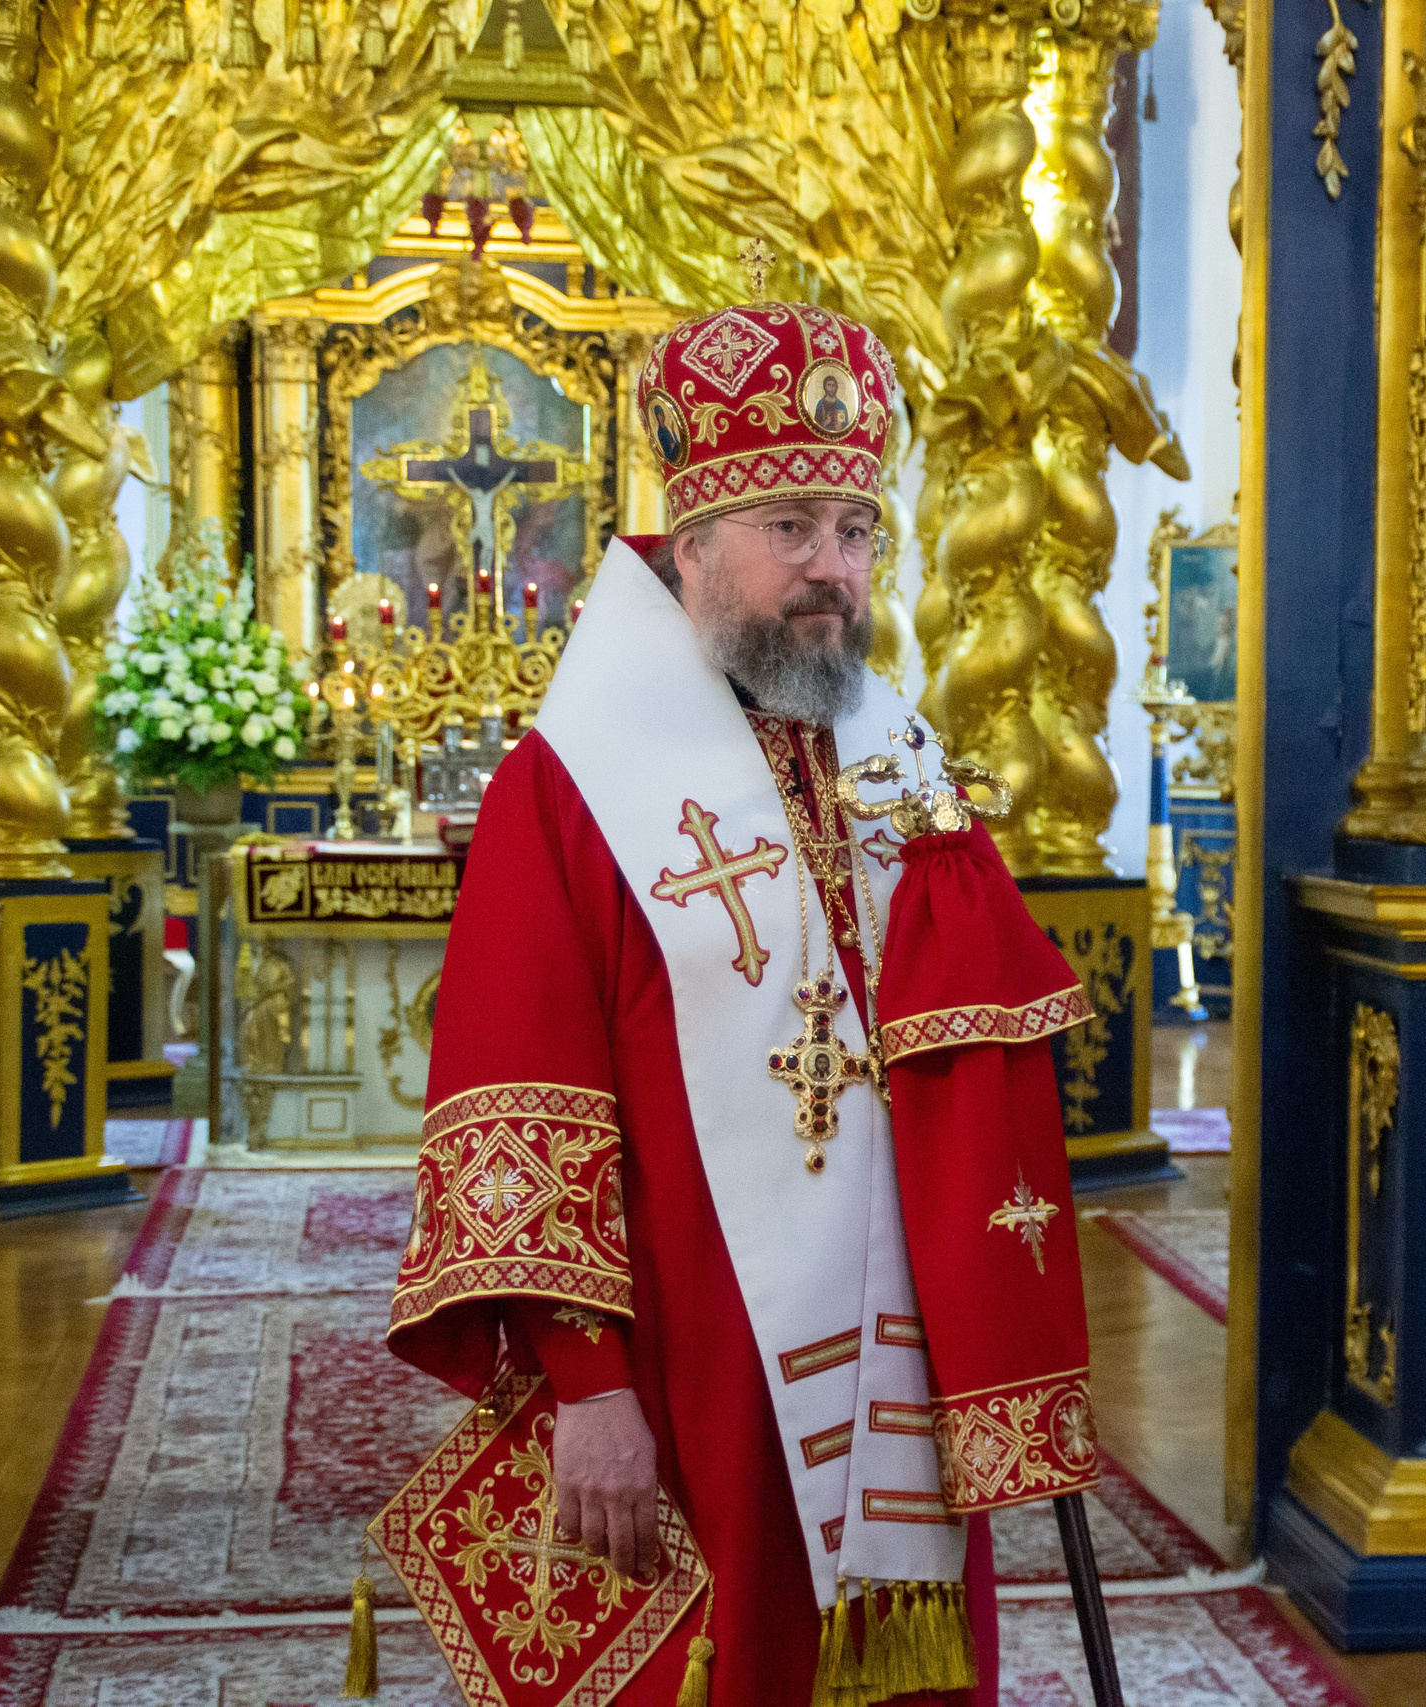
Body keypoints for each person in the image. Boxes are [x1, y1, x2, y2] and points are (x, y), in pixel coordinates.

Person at [386, 285, 1102, 1706]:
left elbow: (984, 1060)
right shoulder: (571, 787)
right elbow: (518, 1097)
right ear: (693, 543)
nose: (832, 571)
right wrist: (589, 1391)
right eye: (790, 530)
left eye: (855, 531)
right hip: (685, 1352)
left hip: (894, 1329)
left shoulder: (898, 763)